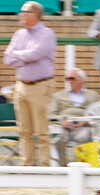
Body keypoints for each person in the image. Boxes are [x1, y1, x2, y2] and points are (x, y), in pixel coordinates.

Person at [3, 1, 56, 167]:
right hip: (21, 86)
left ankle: (45, 166)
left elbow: (36, 54)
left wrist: (19, 55)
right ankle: (26, 166)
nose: (20, 15)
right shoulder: (19, 34)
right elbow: (7, 57)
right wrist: (24, 56)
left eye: (23, 12)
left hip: (40, 86)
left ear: (34, 14)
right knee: (24, 131)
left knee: (42, 131)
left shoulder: (47, 33)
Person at [49, 67, 100, 165]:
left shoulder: (93, 95)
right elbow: (50, 114)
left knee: (84, 136)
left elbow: (98, 114)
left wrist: (85, 121)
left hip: (83, 125)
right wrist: (62, 121)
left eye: (72, 78)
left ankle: (83, 165)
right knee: (58, 138)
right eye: (68, 79)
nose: (70, 81)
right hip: (64, 125)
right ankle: (63, 166)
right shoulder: (58, 96)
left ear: (82, 80)